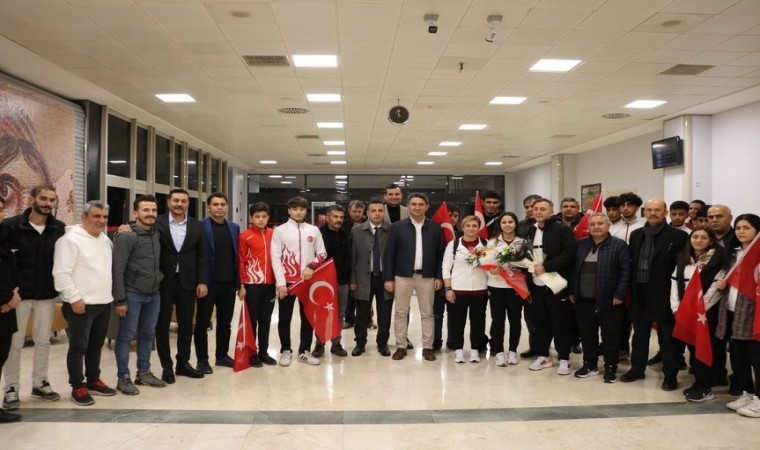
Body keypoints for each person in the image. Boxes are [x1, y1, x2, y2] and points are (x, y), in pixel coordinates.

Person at [3, 185, 65, 410]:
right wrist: (8, 293)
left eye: (52, 200)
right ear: (32, 200)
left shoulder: (59, 228)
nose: (48, 203)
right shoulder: (11, 226)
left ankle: (40, 383)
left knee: (43, 341)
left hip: (46, 295)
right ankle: (11, 388)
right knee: (15, 344)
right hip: (18, 297)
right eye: (43, 198)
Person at [53, 201, 116, 406]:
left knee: (96, 345)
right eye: (96, 216)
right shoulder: (69, 240)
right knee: (78, 346)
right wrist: (74, 298)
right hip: (80, 304)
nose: (101, 221)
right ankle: (77, 386)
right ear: (84, 217)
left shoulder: (105, 240)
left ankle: (93, 380)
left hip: (103, 302)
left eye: (104, 217)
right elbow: (61, 273)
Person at [622, 199, 689, 391]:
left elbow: (681, 267)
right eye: (649, 210)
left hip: (664, 293)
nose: (653, 213)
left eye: (657, 210)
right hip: (639, 292)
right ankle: (637, 369)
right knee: (639, 334)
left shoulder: (678, 236)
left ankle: (670, 375)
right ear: (644, 212)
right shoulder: (636, 235)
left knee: (667, 337)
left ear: (665, 212)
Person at [112, 195, 166, 395]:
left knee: (147, 335)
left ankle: (143, 373)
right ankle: (123, 378)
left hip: (153, 294)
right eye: (146, 210)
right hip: (132, 294)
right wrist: (120, 299)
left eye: (153, 210)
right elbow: (117, 269)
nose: (150, 214)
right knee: (126, 336)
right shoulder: (127, 236)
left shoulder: (156, 233)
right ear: (136, 213)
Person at [568, 213, 631, 383]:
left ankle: (611, 366)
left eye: (600, 223)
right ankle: (590, 364)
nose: (596, 227)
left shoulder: (619, 246)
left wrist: (619, 295)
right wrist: (573, 291)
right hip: (583, 300)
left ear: (608, 226)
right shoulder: (581, 245)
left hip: (609, 300)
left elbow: (626, 273)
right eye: (593, 224)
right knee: (587, 334)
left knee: (611, 336)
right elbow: (573, 270)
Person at [154, 189, 207, 383]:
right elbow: (139, 227)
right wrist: (126, 227)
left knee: (186, 325)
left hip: (188, 282)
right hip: (163, 281)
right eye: (175, 200)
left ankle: (182, 363)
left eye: (183, 201)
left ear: (188, 204)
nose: (179, 204)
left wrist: (202, 281)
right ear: (168, 202)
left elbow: (202, 255)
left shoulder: (196, 226)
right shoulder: (157, 222)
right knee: (162, 325)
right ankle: (166, 366)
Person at [384, 193, 444, 361]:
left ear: (427, 207)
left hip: (427, 276)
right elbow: (390, 254)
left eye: (421, 204)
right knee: (401, 312)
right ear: (408, 206)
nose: (417, 207)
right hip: (402, 276)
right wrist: (388, 278)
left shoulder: (436, 228)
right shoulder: (397, 227)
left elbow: (441, 255)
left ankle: (427, 347)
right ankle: (401, 346)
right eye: (414, 204)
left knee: (428, 313)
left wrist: (439, 277)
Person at [671, 227, 726, 402]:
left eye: (704, 237)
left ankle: (706, 387)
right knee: (692, 348)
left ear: (711, 241)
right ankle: (699, 382)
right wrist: (676, 308)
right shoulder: (683, 258)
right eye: (695, 236)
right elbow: (674, 284)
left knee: (704, 347)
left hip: (706, 313)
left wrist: (700, 309)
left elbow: (715, 289)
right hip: (685, 312)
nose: (699, 240)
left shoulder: (718, 259)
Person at [271, 196, 326, 366]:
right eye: (295, 209)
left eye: (301, 209)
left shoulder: (314, 230)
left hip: (307, 281)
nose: (298, 212)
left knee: (307, 317)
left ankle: (304, 351)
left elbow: (322, 253)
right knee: (285, 317)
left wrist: (311, 266)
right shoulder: (280, 231)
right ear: (289, 211)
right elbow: (275, 257)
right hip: (287, 282)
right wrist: (280, 283)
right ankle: (285, 350)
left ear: (306, 211)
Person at [524, 198, 577, 375]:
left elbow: (569, 253)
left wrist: (547, 266)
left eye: (543, 209)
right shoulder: (531, 230)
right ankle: (543, 355)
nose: (538, 212)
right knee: (540, 322)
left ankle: (564, 358)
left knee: (561, 322)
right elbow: (528, 253)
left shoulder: (561, 229)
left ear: (551, 211)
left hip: (556, 284)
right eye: (536, 209)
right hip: (536, 284)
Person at [715, 214, 760, 417]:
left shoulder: (756, 254)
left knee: (756, 358)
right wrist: (722, 284)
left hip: (753, 313)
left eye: (747, 227)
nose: (741, 231)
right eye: (739, 228)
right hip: (732, 310)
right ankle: (747, 393)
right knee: (737, 357)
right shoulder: (733, 253)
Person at [196, 193, 240, 372]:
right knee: (202, 323)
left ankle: (222, 355)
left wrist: (240, 284)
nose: (219, 207)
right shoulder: (199, 226)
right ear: (208, 208)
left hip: (229, 282)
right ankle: (202, 360)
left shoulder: (234, 228)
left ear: (227, 207)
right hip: (208, 283)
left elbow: (237, 256)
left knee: (225, 322)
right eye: (215, 204)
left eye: (222, 204)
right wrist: (201, 281)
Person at [442, 215, 488, 364]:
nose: (471, 228)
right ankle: (458, 350)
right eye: (468, 225)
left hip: (480, 290)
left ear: (479, 228)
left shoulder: (485, 244)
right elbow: (445, 267)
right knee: (457, 322)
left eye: (474, 226)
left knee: (478, 322)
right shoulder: (454, 245)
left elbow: (490, 266)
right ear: (462, 227)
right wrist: (448, 288)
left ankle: (475, 350)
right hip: (458, 290)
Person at [350, 200, 393, 356]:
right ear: (367, 213)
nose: (377, 213)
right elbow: (353, 258)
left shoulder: (391, 229)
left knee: (385, 314)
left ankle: (382, 343)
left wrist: (392, 279)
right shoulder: (357, 230)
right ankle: (360, 343)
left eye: (380, 210)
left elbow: (395, 256)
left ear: (384, 212)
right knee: (362, 314)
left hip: (385, 279)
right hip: (363, 279)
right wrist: (353, 280)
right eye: (373, 210)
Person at [238, 202, 277, 367]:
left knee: (266, 320)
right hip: (252, 284)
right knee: (252, 320)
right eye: (257, 217)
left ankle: (263, 352)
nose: (261, 220)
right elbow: (241, 261)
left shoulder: (274, 234)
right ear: (251, 218)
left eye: (264, 216)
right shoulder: (245, 236)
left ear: (268, 217)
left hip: (270, 285)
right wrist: (241, 284)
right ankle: (252, 353)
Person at [486, 212, 526, 367]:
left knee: (515, 320)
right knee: (498, 320)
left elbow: (528, 263)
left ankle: (513, 351)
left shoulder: (522, 242)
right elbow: (485, 263)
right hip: (496, 286)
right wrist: (492, 271)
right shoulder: (492, 242)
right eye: (504, 222)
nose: (507, 225)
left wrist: (519, 266)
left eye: (510, 222)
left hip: (515, 286)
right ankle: (499, 352)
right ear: (500, 225)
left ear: (515, 224)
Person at [314, 205, 349, 358]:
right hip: (323, 283)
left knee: (339, 315)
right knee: (322, 314)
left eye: (341, 217)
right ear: (327, 218)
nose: (338, 220)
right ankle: (319, 344)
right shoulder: (318, 234)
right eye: (335, 217)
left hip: (343, 281)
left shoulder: (345, 233)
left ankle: (336, 343)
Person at [0, 198, 21, 422]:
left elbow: (11, 269)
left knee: (1, 356)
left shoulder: (3, 235)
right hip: (4, 302)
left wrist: (14, 295)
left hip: (7, 308)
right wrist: (7, 297)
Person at [342, 200, 366, 330]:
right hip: (347, 262)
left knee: (366, 292)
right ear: (349, 211)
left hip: (364, 262)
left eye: (359, 211)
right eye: (354, 211)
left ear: (363, 212)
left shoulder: (369, 223)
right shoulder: (343, 224)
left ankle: (368, 319)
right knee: (349, 294)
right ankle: (349, 319)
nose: (357, 214)